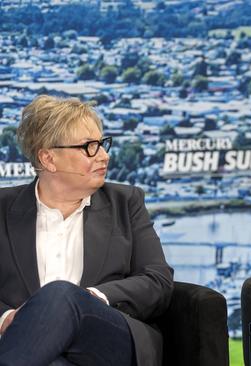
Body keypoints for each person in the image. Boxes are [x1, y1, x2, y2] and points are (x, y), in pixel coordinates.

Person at [0, 95, 173, 366]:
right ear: (48, 158)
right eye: (89, 147)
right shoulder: (2, 209)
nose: (104, 156)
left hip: (109, 342)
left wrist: (89, 299)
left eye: (103, 144)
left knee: (61, 294)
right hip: (26, 346)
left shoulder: (126, 202)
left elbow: (157, 281)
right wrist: (6, 318)